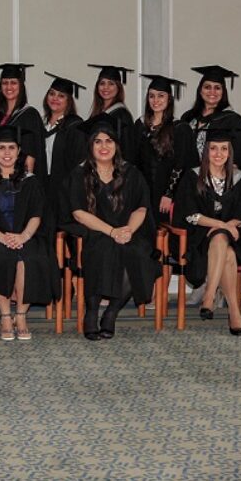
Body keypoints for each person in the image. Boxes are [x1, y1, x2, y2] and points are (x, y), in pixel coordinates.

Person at [66, 114, 158, 341]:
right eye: (98, 141)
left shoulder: (131, 173)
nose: (104, 146)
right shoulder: (80, 174)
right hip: (96, 232)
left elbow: (141, 208)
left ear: (117, 145)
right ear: (90, 146)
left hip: (128, 231)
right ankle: (92, 312)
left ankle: (111, 313)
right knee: (103, 250)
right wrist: (112, 231)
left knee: (138, 253)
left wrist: (127, 230)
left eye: (109, 141)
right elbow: (78, 213)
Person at [173, 128, 241, 335]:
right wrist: (222, 225)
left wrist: (228, 227)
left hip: (235, 238)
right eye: (213, 148)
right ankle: (234, 312)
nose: (218, 153)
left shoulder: (240, 177)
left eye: (224, 149)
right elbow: (189, 213)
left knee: (225, 245)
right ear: (206, 151)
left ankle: (209, 295)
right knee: (223, 243)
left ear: (230, 152)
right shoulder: (193, 176)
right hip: (200, 238)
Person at [0, 125, 57, 341]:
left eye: (11, 147)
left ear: (19, 151)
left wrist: (24, 236)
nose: (7, 153)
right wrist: (1, 237)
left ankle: (21, 315)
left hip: (27, 235)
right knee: (2, 256)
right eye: (2, 148)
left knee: (30, 257)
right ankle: (5, 316)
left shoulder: (30, 181)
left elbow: (37, 214)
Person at [132, 74, 194, 222]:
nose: (156, 100)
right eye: (151, 96)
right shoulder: (140, 126)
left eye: (161, 96)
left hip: (167, 195)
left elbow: (181, 164)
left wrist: (169, 194)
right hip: (144, 193)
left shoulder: (179, 128)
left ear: (169, 99)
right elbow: (135, 162)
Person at [180, 65, 241, 174]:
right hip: (188, 179)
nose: (212, 92)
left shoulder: (233, 121)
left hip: (216, 179)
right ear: (200, 90)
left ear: (223, 92)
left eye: (217, 87)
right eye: (207, 87)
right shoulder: (188, 118)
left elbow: (237, 160)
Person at [40, 72, 87, 217]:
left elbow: (80, 162)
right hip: (43, 185)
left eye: (61, 96)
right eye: (52, 94)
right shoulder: (42, 123)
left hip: (64, 189)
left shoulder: (75, 126)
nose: (55, 98)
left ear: (69, 101)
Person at [0, 62, 45, 172]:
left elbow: (30, 156)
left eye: (13, 83)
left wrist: (24, 183)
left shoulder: (29, 115)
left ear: (21, 85)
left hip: (19, 179)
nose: (9, 87)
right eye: (5, 83)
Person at [86, 64, 137, 164]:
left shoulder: (122, 116)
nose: (106, 87)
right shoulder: (97, 113)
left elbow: (128, 151)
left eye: (111, 83)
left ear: (118, 87)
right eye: (102, 83)